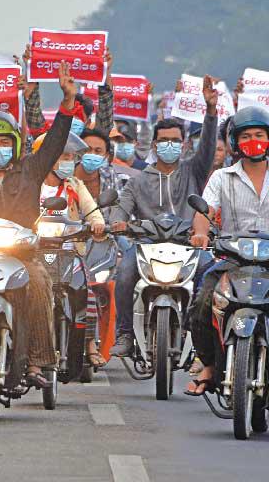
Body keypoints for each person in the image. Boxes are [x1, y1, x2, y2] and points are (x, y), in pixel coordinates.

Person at [0, 61, 77, 387]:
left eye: (3, 142)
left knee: (40, 283)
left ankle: (38, 362)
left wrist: (68, 102)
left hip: (22, 256)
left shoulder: (30, 170)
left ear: (14, 144)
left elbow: (55, 141)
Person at [109, 76, 219, 356]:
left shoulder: (193, 171)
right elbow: (121, 207)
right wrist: (118, 222)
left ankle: (197, 329)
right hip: (146, 246)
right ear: (154, 146)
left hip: (187, 246)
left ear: (183, 146)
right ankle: (124, 334)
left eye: (175, 141)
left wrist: (210, 112)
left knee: (210, 271)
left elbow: (207, 147)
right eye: (163, 141)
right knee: (123, 274)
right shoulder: (137, 181)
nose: (169, 145)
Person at [186, 106, 269, 394]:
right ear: (235, 142)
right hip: (232, 261)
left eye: (259, 134)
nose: (253, 140)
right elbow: (205, 210)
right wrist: (200, 232)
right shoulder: (222, 177)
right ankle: (209, 364)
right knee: (202, 301)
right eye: (246, 135)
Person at [33, 131, 108, 367]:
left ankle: (89, 345)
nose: (67, 162)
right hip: (34, 251)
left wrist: (97, 224)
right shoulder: (32, 185)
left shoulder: (75, 185)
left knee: (85, 292)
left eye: (69, 157)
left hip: (69, 250)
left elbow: (92, 210)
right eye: (61, 156)